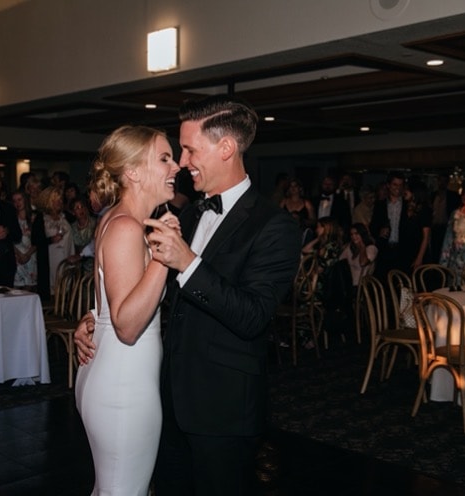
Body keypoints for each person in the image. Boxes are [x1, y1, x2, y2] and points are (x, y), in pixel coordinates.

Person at [78, 96, 299, 495]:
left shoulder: (274, 226)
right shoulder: (187, 214)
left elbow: (253, 316)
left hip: (221, 410)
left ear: (226, 149)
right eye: (176, 151)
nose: (182, 161)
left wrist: (188, 263)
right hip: (160, 394)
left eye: (190, 149)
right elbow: (132, 288)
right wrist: (95, 320)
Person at [69, 125, 178, 495]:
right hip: (123, 387)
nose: (175, 166)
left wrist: (88, 320)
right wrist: (164, 255)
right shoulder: (127, 227)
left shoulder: (118, 219)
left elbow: (112, 298)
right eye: (164, 158)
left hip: (114, 374)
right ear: (132, 171)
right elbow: (127, 325)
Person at [370, 174, 430, 276]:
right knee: (385, 284)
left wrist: (419, 256)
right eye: (395, 184)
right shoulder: (380, 205)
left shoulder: (409, 205)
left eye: (400, 185)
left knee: (404, 286)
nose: (397, 188)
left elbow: (420, 233)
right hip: (385, 251)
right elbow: (373, 227)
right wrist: (379, 231)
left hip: (404, 252)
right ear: (388, 185)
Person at [39, 188, 74, 288]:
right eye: (56, 199)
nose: (59, 202)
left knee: (66, 285)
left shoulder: (66, 216)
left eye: (60, 199)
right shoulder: (42, 219)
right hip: (51, 257)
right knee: (53, 285)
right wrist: (51, 240)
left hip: (67, 255)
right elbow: (36, 240)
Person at [9, 192, 38, 291]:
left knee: (29, 287)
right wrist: (19, 254)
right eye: (14, 201)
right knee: (16, 287)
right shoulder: (12, 218)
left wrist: (28, 254)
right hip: (17, 256)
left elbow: (39, 240)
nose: (17, 203)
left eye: (19, 199)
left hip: (31, 256)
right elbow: (9, 239)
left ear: (25, 200)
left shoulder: (34, 218)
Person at [341, 223, 377, 287]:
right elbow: (339, 260)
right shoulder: (350, 247)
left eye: (356, 234)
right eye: (351, 234)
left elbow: (363, 263)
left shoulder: (371, 248)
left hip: (361, 285)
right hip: (347, 284)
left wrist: (362, 247)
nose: (353, 237)